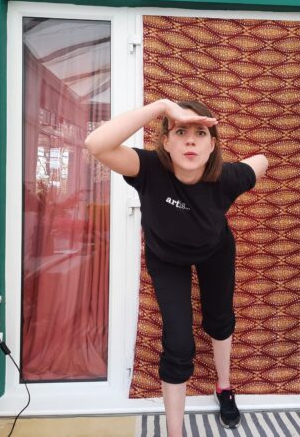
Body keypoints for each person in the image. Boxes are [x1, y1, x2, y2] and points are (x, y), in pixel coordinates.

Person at [85, 99, 268, 437]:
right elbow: (96, 144)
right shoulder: (149, 169)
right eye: (180, 131)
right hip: (166, 258)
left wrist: (243, 164)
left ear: (212, 146)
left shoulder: (228, 178)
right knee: (180, 343)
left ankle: (224, 387)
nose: (189, 140)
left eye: (200, 133)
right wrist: (163, 107)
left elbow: (262, 161)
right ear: (166, 142)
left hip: (215, 250)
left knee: (219, 319)